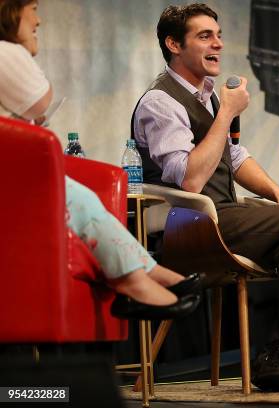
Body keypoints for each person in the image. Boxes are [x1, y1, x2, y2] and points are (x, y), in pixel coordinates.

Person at [132, 4, 279, 392]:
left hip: (225, 215)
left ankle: (275, 350)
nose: (218, 44)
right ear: (174, 44)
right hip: (191, 224)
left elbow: (235, 157)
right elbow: (189, 179)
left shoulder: (206, 96)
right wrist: (225, 114)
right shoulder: (161, 102)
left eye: (218, 34)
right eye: (204, 36)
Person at [0, 0, 201, 320]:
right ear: (11, 12)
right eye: (33, 8)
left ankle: (146, 272)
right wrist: (24, 50)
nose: (38, 19)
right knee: (78, 198)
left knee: (81, 197)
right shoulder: (5, 52)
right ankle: (134, 281)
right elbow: (40, 100)